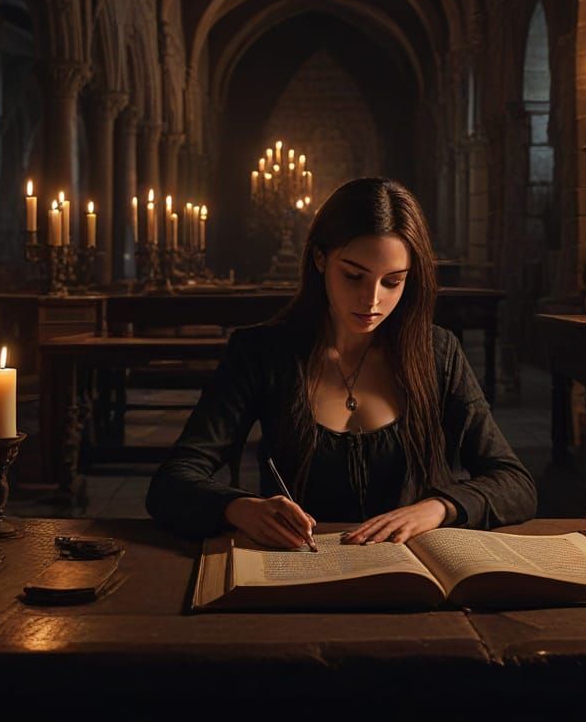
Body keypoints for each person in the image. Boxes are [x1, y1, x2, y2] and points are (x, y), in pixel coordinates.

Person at [146, 177, 537, 547]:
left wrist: (438, 507)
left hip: (412, 577)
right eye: (353, 276)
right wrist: (238, 508)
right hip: (299, 572)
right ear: (320, 258)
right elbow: (172, 482)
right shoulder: (261, 352)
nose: (372, 300)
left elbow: (515, 483)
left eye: (393, 281)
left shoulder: (438, 353)